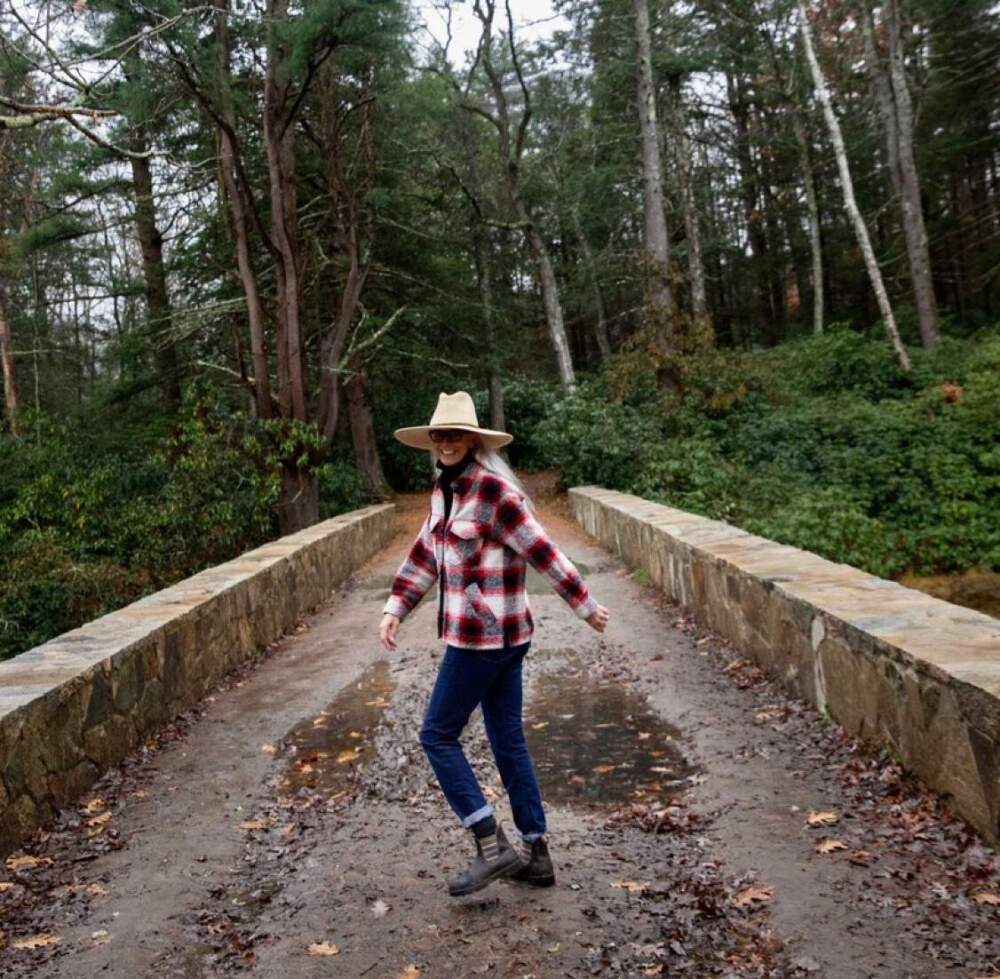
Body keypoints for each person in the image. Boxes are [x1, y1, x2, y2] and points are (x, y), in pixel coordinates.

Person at [379, 391, 609, 897]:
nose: (445, 442)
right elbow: (424, 556)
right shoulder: (443, 493)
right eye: (439, 435)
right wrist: (396, 607)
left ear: (473, 441)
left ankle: (490, 842)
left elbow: (542, 549)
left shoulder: (494, 492)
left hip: (483, 640)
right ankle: (536, 852)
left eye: (454, 434)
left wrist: (585, 604)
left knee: (436, 735)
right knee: (507, 739)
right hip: (503, 637)